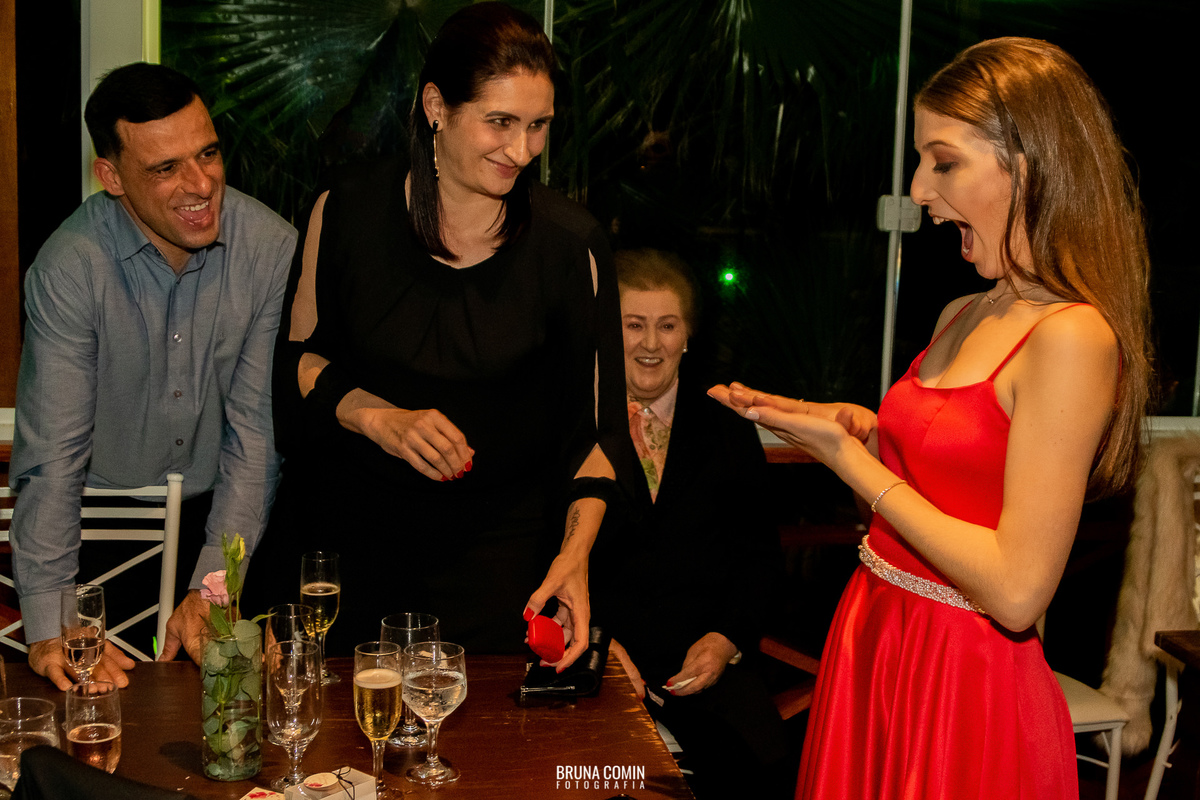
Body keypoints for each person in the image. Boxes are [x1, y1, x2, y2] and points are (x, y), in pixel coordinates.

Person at [711, 37, 1151, 798]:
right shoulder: (962, 312)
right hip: (878, 636)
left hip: (962, 683)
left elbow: (1016, 592)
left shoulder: (1073, 337)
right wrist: (861, 434)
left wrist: (851, 461)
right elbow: (929, 498)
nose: (918, 189)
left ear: (1027, 167)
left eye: (943, 163)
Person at [255, 2, 625, 664]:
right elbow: (297, 364)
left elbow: (595, 438)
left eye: (538, 126)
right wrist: (377, 417)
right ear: (436, 107)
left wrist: (574, 558)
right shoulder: (345, 210)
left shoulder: (571, 246)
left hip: (498, 574)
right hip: (342, 562)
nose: (522, 151)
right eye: (500, 122)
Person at [9, 63, 297, 689]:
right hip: (92, 535)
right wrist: (52, 621)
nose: (202, 184)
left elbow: (254, 437)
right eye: (166, 168)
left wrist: (214, 588)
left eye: (208, 153)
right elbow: (52, 456)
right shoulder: (69, 267)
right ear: (111, 177)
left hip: (224, 528)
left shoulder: (269, 248)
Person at [590, 248, 792, 797]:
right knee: (583, 781)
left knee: (766, 772)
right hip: (595, 663)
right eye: (634, 325)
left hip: (704, 672)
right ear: (606, 331)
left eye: (667, 325)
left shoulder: (727, 426)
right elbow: (537, 554)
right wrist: (593, 643)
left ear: (688, 336)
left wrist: (725, 641)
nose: (651, 343)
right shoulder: (574, 422)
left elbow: (760, 560)